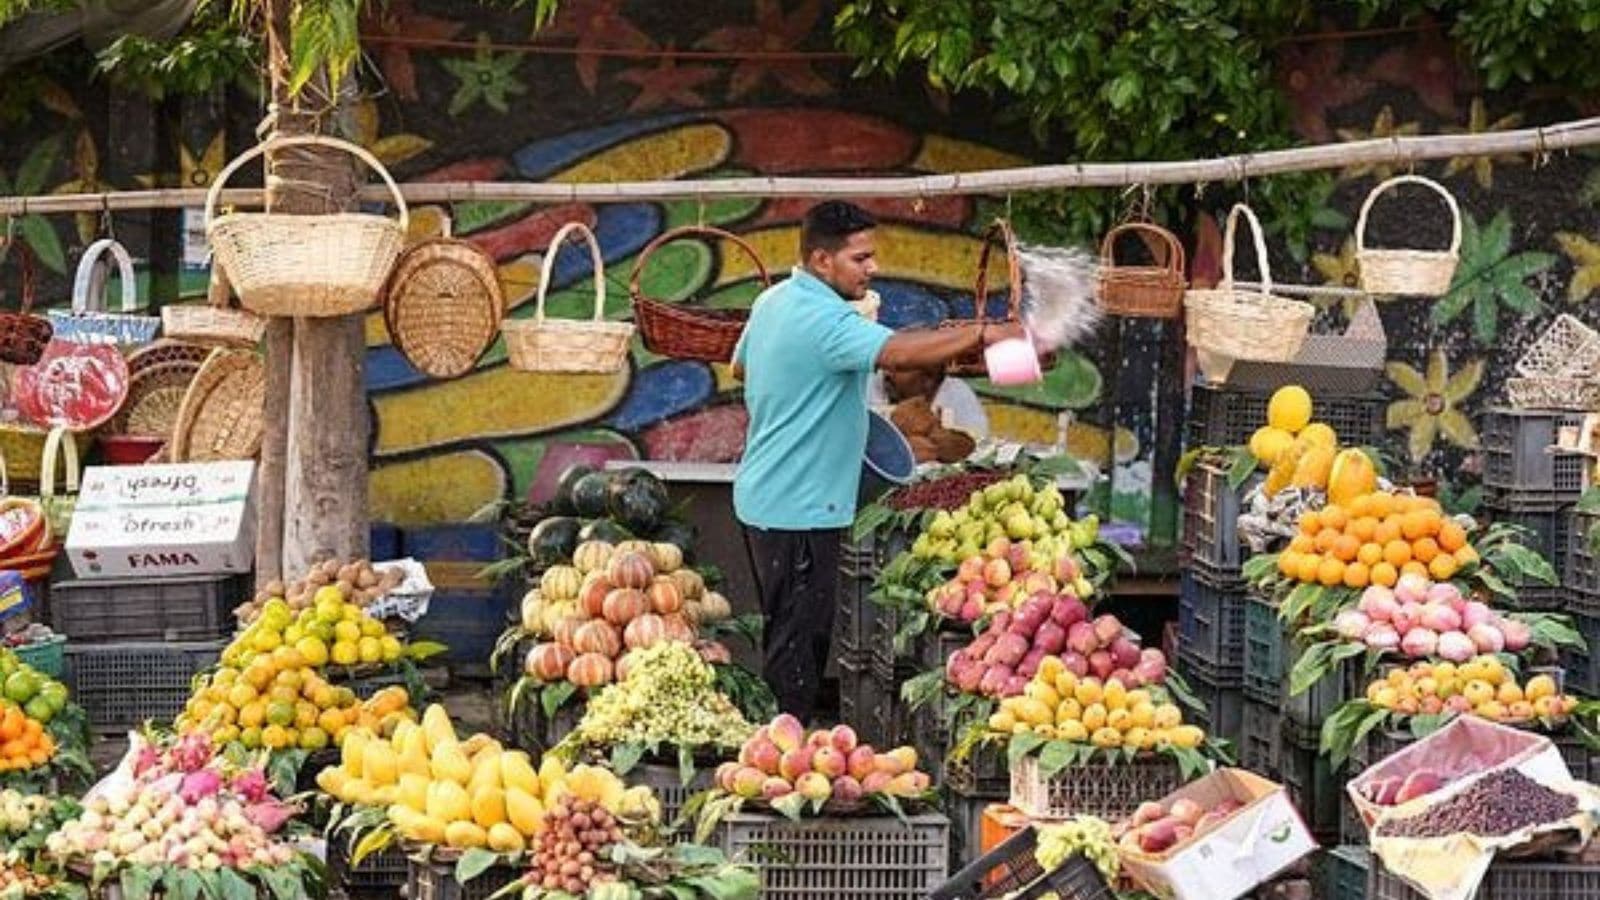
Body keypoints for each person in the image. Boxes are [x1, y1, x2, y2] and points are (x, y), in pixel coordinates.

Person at [731, 201, 1022, 721]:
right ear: (822, 261)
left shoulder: (774, 302)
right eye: (861, 258)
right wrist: (982, 334)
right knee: (798, 650)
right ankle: (777, 761)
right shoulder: (823, 320)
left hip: (766, 495)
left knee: (789, 634)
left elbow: (739, 366)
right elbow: (901, 354)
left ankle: (778, 743)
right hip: (800, 506)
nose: (873, 268)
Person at [868, 365, 990, 440]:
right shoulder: (865, 386)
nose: (887, 373)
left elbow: (976, 442)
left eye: (899, 368)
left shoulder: (956, 391)